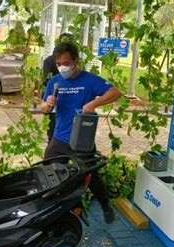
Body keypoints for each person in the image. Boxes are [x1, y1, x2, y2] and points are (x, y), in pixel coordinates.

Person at [40, 42, 122, 224]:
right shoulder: (55, 82)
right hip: (59, 139)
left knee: (90, 175)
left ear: (76, 61)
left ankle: (105, 205)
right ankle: (70, 207)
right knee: (48, 173)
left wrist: (94, 104)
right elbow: (43, 107)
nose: (62, 67)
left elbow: (116, 93)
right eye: (59, 63)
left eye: (66, 63)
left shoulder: (90, 80)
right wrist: (47, 104)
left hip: (81, 141)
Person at [42, 33, 74, 143]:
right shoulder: (49, 61)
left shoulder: (74, 63)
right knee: (53, 132)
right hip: (54, 104)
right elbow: (45, 80)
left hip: (70, 107)